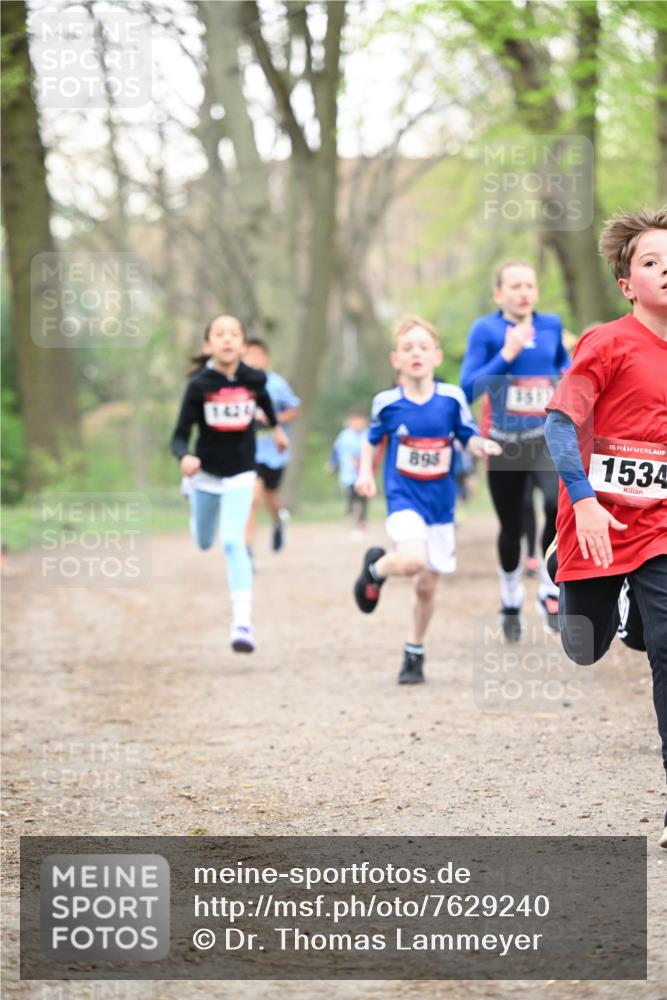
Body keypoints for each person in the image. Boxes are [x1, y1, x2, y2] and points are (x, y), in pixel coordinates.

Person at [543, 207, 667, 848]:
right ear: (628, 283)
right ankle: (560, 568)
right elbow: (560, 425)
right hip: (594, 518)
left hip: (661, 526)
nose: (666, 268)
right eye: (651, 261)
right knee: (584, 647)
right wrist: (585, 502)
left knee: (665, 643)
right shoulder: (608, 343)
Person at [353, 315, 501, 684]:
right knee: (412, 561)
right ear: (396, 360)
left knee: (426, 585)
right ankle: (377, 570)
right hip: (403, 497)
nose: (415, 353)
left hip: (440, 505)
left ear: (435, 356)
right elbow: (371, 440)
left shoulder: (450, 399)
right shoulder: (387, 403)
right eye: (407, 348)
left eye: (423, 347)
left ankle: (414, 650)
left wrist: (480, 445)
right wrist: (365, 473)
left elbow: (466, 435)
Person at [460, 260, 569, 640]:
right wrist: (507, 353)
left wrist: (571, 376)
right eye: (515, 286)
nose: (523, 293)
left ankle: (548, 592)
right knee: (511, 528)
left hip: (544, 439)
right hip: (504, 444)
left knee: (558, 509)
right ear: (499, 294)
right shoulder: (486, 330)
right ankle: (510, 599)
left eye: (529, 286)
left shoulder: (551, 325)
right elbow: (469, 387)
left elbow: (563, 366)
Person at [170, 315, 288, 653]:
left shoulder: (254, 378)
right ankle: (190, 492)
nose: (227, 340)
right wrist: (184, 458)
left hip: (241, 473)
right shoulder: (199, 386)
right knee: (205, 541)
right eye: (219, 334)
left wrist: (276, 429)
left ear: (243, 344)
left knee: (234, 543)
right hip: (206, 474)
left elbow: (263, 401)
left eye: (234, 334)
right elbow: (179, 436)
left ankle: (242, 622)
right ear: (208, 344)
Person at [243, 338, 301, 556]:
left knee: (271, 495)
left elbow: (295, 409)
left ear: (266, 359)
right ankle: (247, 547)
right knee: (252, 497)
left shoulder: (276, 384)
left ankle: (279, 519)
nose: (253, 359)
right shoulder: (239, 384)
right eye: (249, 355)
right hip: (250, 451)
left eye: (258, 355)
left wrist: (274, 420)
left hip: (274, 452)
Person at [327, 407, 369, 533]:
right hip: (348, 474)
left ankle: (361, 520)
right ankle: (351, 516)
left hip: (364, 473)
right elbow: (336, 451)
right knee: (350, 496)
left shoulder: (368, 434)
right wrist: (332, 464)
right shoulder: (345, 436)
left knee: (363, 497)